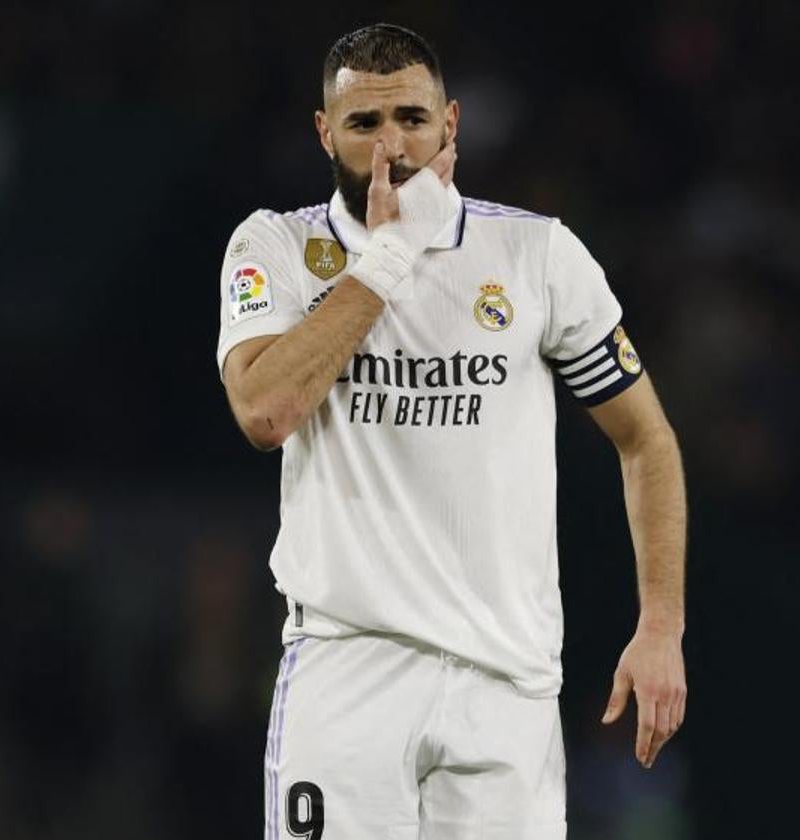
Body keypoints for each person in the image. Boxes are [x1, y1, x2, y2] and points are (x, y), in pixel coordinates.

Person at [216, 23, 687, 840]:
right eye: (364, 124)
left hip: (506, 684)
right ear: (325, 131)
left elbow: (645, 439)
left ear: (452, 124)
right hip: (349, 667)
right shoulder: (277, 247)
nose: (392, 144)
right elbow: (265, 411)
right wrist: (387, 259)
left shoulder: (536, 255)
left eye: (412, 118)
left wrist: (661, 626)